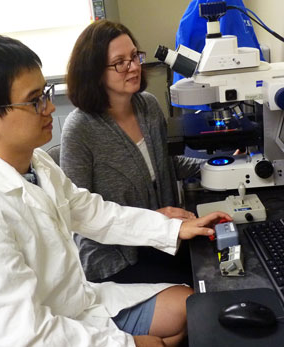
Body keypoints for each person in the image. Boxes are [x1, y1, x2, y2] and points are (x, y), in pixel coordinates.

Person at [0, 31, 231, 347]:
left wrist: (174, 228)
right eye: (35, 100)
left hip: (74, 305)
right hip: (28, 336)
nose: (48, 108)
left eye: (45, 92)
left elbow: (91, 211)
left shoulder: (36, 163)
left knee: (191, 306)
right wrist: (131, 345)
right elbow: (28, 337)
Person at [61, 20, 204, 284]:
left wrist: (217, 167)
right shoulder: (80, 129)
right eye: (120, 63)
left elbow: (165, 165)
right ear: (93, 71)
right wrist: (155, 219)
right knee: (196, 293)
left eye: (135, 57)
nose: (135, 67)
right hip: (116, 257)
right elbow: (78, 213)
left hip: (162, 239)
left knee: (214, 266)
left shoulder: (147, 106)